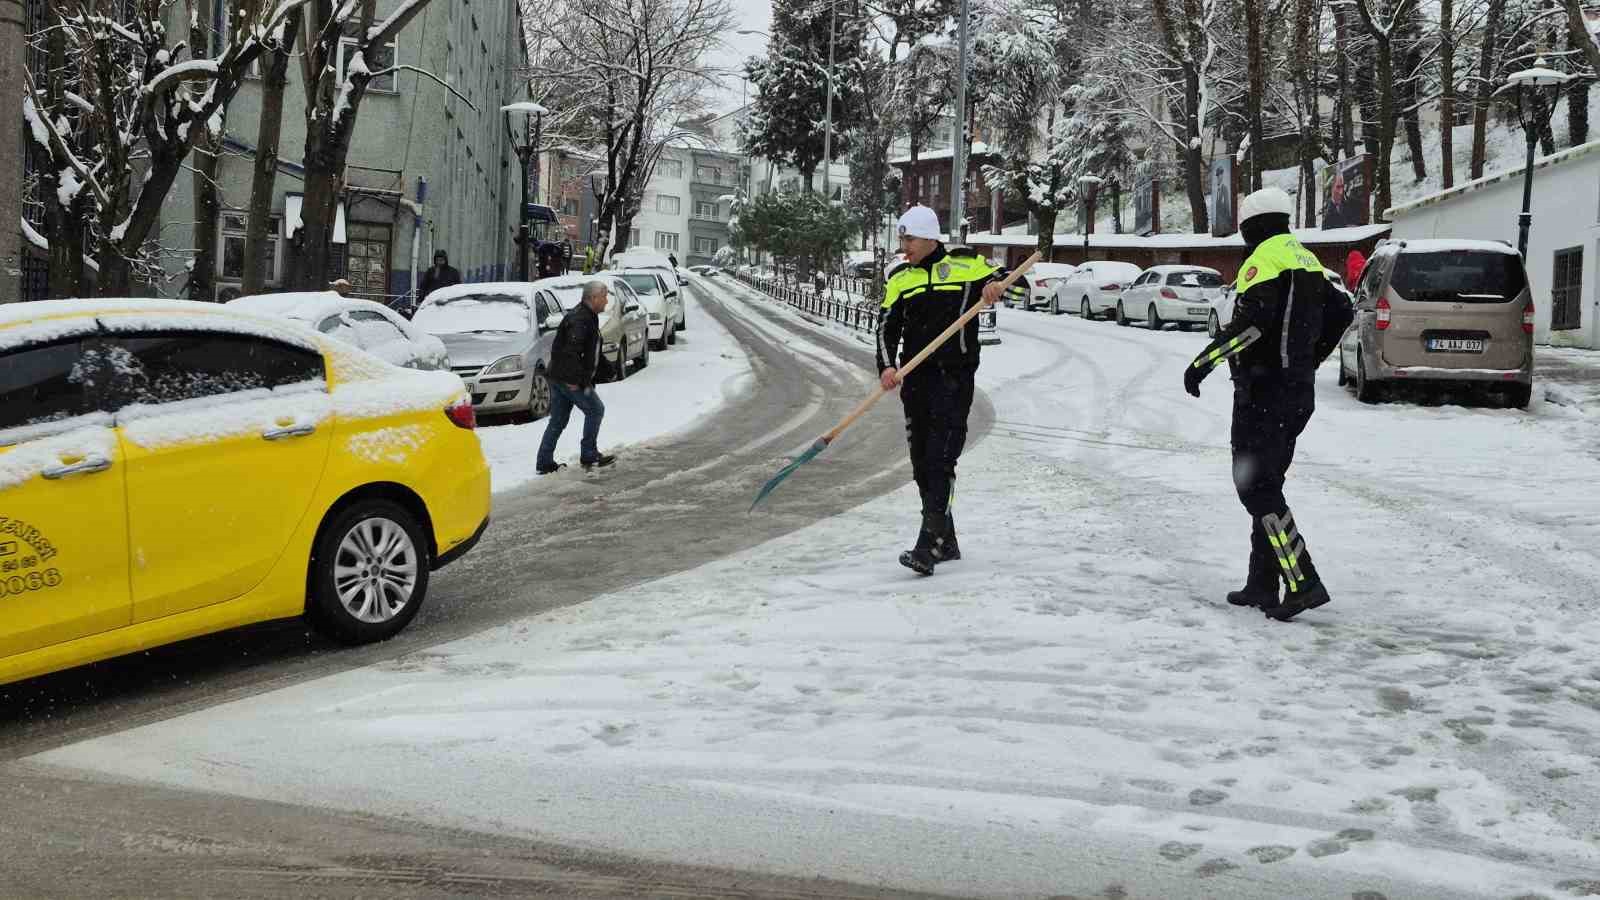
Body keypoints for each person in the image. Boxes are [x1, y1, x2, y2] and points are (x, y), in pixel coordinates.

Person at [1182, 187, 1353, 622]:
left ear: (1251, 226)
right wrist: (1309, 358)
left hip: (1263, 393)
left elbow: (1251, 327)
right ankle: (1262, 583)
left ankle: (1302, 580)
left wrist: (1203, 363)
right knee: (1268, 485)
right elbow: (1342, 311)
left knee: (1256, 488)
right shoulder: (1305, 257)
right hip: (1296, 393)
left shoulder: (1264, 261)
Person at [876, 204, 1005, 575]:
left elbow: (1014, 279)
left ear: (931, 238)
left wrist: (995, 286)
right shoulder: (900, 277)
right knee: (921, 464)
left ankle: (928, 544)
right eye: (902, 239)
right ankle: (946, 541)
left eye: (911, 239)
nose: (904, 246)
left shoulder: (967, 266)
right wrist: (887, 366)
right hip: (916, 380)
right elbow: (885, 327)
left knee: (940, 460)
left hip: (954, 378)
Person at [538, 279, 616, 474]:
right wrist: (576, 381)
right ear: (593, 297)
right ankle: (589, 453)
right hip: (568, 379)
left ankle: (544, 461)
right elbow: (571, 352)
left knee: (558, 420)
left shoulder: (587, 316)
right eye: (604, 296)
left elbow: (591, 351)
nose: (606, 301)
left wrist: (609, 369)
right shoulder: (580, 319)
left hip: (560, 376)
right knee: (595, 410)